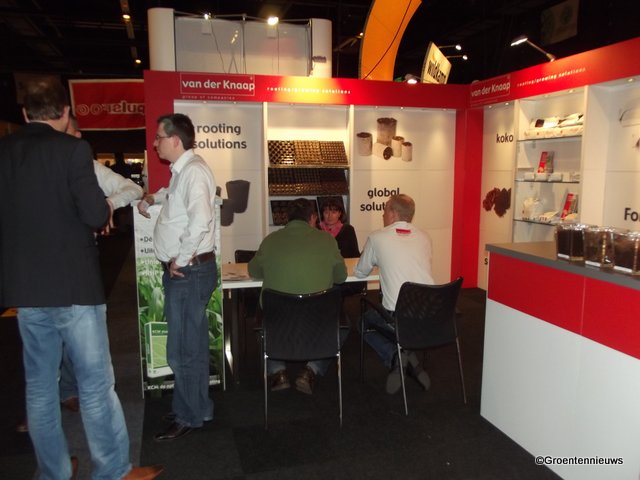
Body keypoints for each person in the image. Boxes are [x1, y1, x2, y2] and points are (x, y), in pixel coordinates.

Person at [0, 80, 162, 479]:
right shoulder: (73, 150)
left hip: (26, 290)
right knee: (95, 385)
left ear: (25, 113)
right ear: (65, 113)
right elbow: (94, 214)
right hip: (74, 286)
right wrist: (104, 206)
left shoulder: (5, 151)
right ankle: (113, 470)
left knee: (40, 389)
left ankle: (54, 471)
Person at [137, 113, 217, 442]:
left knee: (182, 351)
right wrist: (152, 197)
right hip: (189, 272)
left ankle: (188, 415)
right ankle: (198, 407)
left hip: (188, 272)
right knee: (191, 346)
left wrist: (179, 260)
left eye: (159, 137)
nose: (155, 143)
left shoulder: (193, 172)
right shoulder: (184, 171)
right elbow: (173, 195)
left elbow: (200, 221)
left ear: (175, 140)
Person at [56, 114, 144, 412]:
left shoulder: (88, 167)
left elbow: (133, 189)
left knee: (84, 336)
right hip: (42, 265)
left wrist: (107, 205)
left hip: (79, 262)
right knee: (47, 339)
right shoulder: (36, 165)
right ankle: (56, 396)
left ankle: (74, 391)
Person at [248, 198, 348, 394]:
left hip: (278, 320)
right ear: (312, 218)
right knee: (343, 327)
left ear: (287, 218)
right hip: (317, 319)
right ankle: (311, 369)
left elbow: (254, 271)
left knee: (262, 323)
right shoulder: (327, 240)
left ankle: (278, 371)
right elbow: (341, 277)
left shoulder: (270, 240)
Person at [354, 194, 433, 395]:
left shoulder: (377, 237)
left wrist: (377, 259)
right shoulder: (424, 237)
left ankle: (395, 357)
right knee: (401, 324)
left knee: (363, 322)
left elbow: (360, 272)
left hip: (397, 316)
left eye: (385, 209)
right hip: (429, 316)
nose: (382, 214)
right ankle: (407, 355)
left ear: (394, 214)